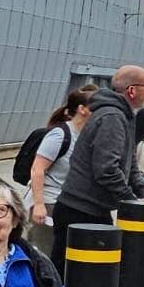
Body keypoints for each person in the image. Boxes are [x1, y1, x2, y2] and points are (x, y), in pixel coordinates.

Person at [53, 65, 144, 270]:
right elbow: (106, 169)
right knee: (79, 277)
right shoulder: (112, 117)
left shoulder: (123, 115)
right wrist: (130, 201)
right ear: (131, 90)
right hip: (81, 211)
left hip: (93, 209)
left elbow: (129, 161)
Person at [26, 89, 93, 256]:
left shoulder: (87, 136)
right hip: (48, 202)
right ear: (82, 109)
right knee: (44, 253)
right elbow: (37, 169)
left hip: (67, 203)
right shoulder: (60, 135)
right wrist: (39, 204)